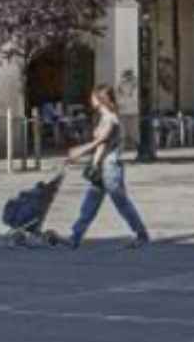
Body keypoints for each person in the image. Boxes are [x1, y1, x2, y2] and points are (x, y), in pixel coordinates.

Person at [51, 84, 149, 249]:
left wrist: (79, 151)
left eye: (93, 97)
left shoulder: (111, 118)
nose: (91, 99)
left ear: (100, 98)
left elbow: (101, 141)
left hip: (111, 168)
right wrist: (94, 163)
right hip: (101, 167)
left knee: (122, 203)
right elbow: (101, 147)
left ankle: (141, 235)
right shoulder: (104, 117)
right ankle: (75, 237)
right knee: (89, 204)